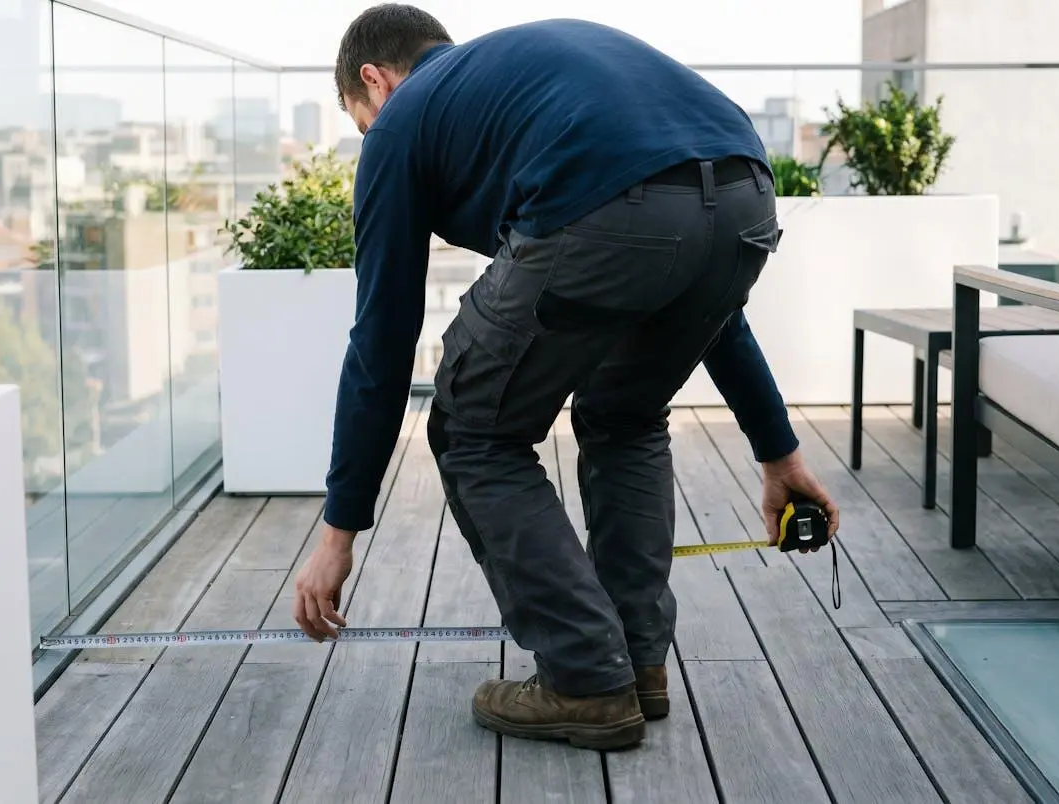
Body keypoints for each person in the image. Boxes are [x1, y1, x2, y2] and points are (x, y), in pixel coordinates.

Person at [291, 4, 840, 750]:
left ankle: (585, 678)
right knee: (626, 413)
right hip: (745, 191)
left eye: (360, 122)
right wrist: (781, 456)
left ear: (374, 82)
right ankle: (638, 665)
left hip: (604, 208)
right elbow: (703, 296)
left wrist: (339, 529)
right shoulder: (516, 87)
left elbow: (381, 338)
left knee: (473, 429)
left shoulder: (401, 119)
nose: (369, 139)